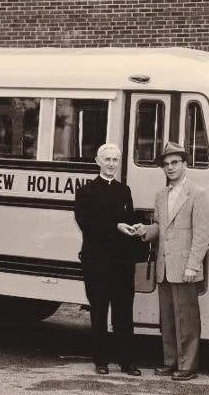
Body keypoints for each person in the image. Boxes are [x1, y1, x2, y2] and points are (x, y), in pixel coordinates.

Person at [137, 142, 209, 381]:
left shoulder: (197, 194)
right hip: (165, 267)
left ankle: (187, 365)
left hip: (185, 268)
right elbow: (160, 227)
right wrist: (145, 230)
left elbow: (202, 234)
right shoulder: (161, 195)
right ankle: (170, 362)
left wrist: (193, 265)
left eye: (175, 163)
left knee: (186, 319)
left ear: (185, 164)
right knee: (167, 318)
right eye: (166, 164)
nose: (170, 168)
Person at [73, 143, 142, 376]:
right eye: (107, 159)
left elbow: (129, 218)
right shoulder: (86, 192)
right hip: (97, 263)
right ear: (97, 161)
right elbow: (87, 225)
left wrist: (136, 226)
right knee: (99, 311)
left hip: (122, 264)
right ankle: (101, 360)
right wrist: (116, 227)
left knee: (124, 313)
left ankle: (128, 361)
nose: (112, 164)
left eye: (115, 160)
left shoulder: (125, 191)